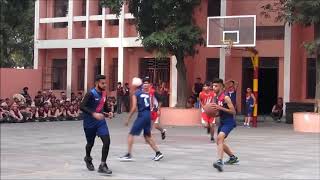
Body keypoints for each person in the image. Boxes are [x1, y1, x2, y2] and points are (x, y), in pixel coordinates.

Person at [119, 77, 164, 162]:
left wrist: (128, 118)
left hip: (142, 115)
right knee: (147, 136)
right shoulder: (146, 93)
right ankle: (158, 153)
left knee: (131, 134)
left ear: (135, 85)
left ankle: (128, 154)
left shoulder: (136, 94)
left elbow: (133, 108)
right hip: (148, 115)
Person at [80, 75, 113, 175]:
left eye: (105, 83)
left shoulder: (104, 94)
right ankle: (88, 158)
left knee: (107, 141)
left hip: (100, 122)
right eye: (102, 83)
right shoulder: (90, 94)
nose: (104, 85)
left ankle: (103, 165)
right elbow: (82, 106)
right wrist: (93, 114)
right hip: (89, 122)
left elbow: (105, 107)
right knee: (90, 143)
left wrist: (109, 112)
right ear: (97, 83)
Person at [211, 78, 239, 172]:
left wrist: (220, 108)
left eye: (216, 86)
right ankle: (232, 158)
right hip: (222, 122)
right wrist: (214, 113)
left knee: (220, 138)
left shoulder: (226, 97)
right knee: (219, 141)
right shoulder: (216, 98)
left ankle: (219, 161)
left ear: (221, 87)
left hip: (229, 121)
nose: (214, 88)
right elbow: (219, 112)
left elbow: (233, 111)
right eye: (213, 86)